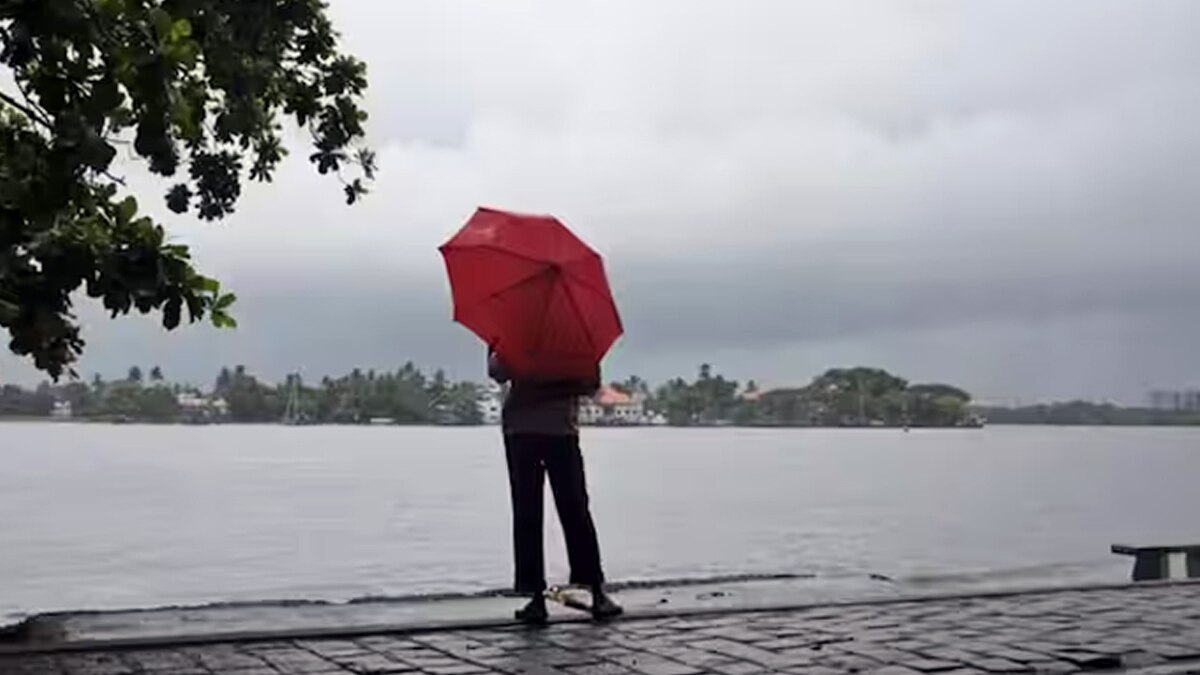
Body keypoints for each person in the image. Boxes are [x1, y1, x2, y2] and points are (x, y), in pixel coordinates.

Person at [488, 349, 623, 624]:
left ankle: (544, 596)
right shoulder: (571, 334)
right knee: (566, 510)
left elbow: (498, 372)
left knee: (545, 511)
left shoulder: (512, 328)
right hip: (547, 430)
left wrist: (533, 372)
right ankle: (590, 593)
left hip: (534, 429)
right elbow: (590, 383)